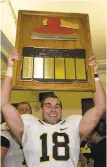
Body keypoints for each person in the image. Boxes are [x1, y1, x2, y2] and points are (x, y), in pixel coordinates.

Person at [1, 51, 106, 167]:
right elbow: (4, 105)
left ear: (61, 110)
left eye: (57, 106)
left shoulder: (73, 124)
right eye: (48, 105)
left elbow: (100, 107)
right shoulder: (28, 124)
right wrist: (10, 69)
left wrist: (94, 74)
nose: (53, 109)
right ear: (41, 110)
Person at [0, 102, 32, 167]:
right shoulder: (5, 129)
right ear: (16, 113)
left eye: (27, 109)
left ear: (31, 113)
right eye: (21, 109)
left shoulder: (34, 130)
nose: (24, 111)